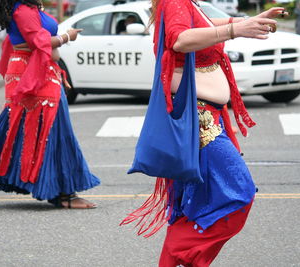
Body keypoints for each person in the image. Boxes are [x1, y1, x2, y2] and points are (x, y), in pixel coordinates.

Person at [121, 0, 287, 266]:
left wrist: (244, 22)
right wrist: (234, 31)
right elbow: (181, 39)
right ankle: (181, 253)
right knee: (239, 192)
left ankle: (177, 259)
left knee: (196, 200)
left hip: (208, 113)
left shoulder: (188, 3)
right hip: (199, 118)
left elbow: (202, 26)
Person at [0, 0, 100, 209]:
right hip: (30, 73)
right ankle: (64, 194)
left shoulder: (30, 7)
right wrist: (66, 37)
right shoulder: (22, 10)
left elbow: (34, 41)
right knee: (45, 128)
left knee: (25, 129)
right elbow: (37, 42)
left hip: (42, 69)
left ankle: (61, 192)